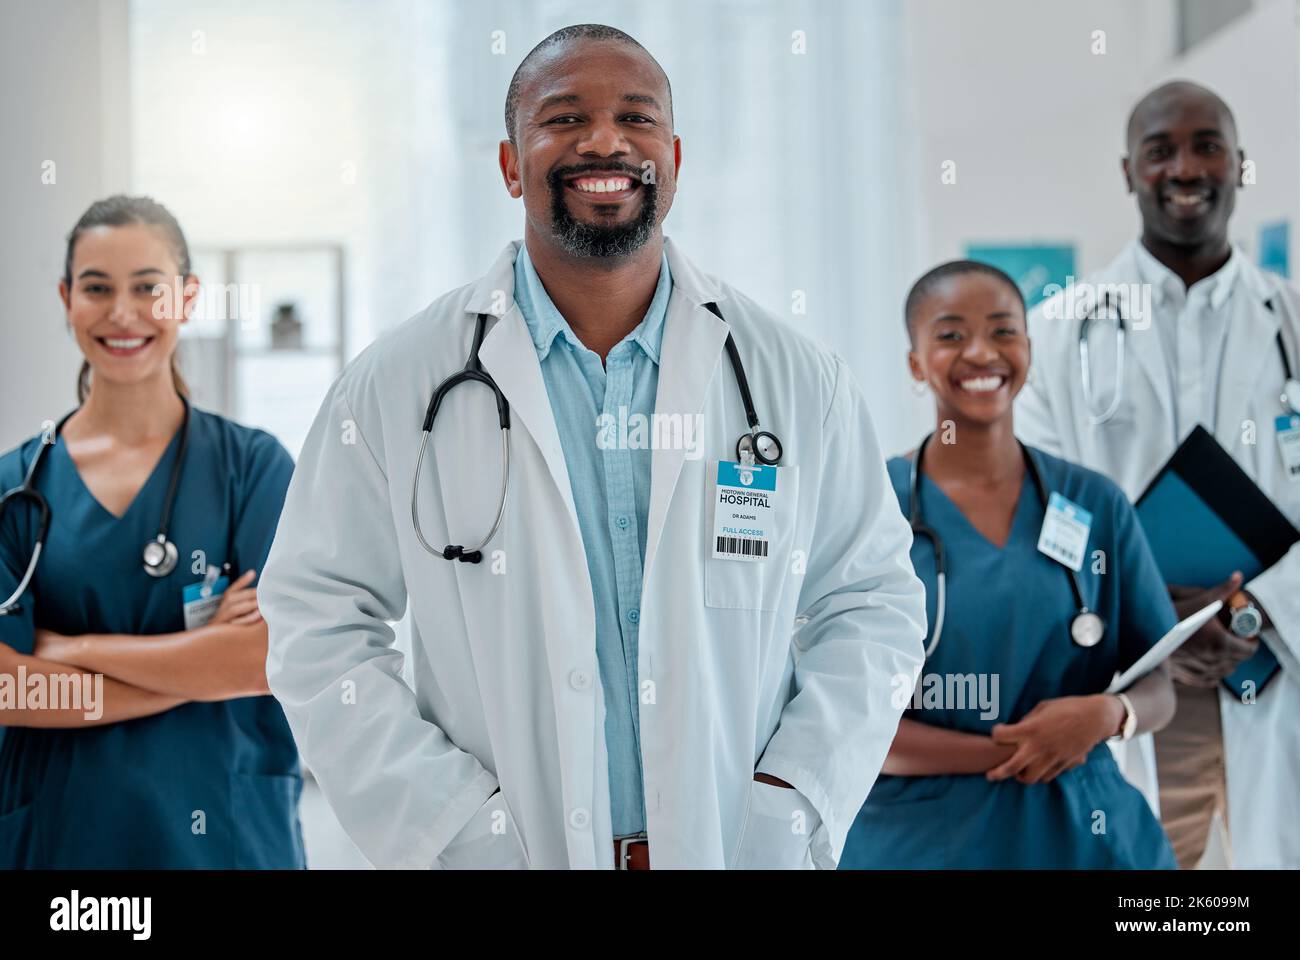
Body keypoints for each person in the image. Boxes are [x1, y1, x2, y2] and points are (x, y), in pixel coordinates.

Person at [259, 24, 925, 870]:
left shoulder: (795, 379)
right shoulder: (398, 383)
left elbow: (872, 605)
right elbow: (318, 618)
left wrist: (792, 803)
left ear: (673, 160)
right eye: (564, 118)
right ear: (511, 164)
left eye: (635, 119)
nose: (604, 141)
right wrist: (454, 828)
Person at [1017, 81, 1300, 869]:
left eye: (1208, 145)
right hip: (1133, 675)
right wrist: (1146, 613)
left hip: (1275, 667)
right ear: (1128, 171)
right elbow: (1040, 505)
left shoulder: (1293, 323)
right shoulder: (1060, 331)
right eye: (1160, 150)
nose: (1185, 167)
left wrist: (1252, 611)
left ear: (1240, 167)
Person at [0, 195, 305, 868]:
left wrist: (69, 646)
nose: (123, 313)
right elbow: (8, 688)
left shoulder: (252, 469)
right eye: (97, 288)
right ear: (66, 299)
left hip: (223, 839)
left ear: (188, 298)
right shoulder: (13, 488)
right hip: (63, 843)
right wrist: (201, 661)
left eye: (148, 288)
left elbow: (264, 659)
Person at [841, 261, 1178, 869]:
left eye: (1003, 331)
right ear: (915, 364)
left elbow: (1159, 684)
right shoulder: (869, 505)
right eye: (949, 334)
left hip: (1084, 830)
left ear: (1028, 347)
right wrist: (1032, 747)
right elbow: (843, 713)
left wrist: (1108, 714)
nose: (980, 352)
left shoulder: (1095, 502)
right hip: (922, 838)